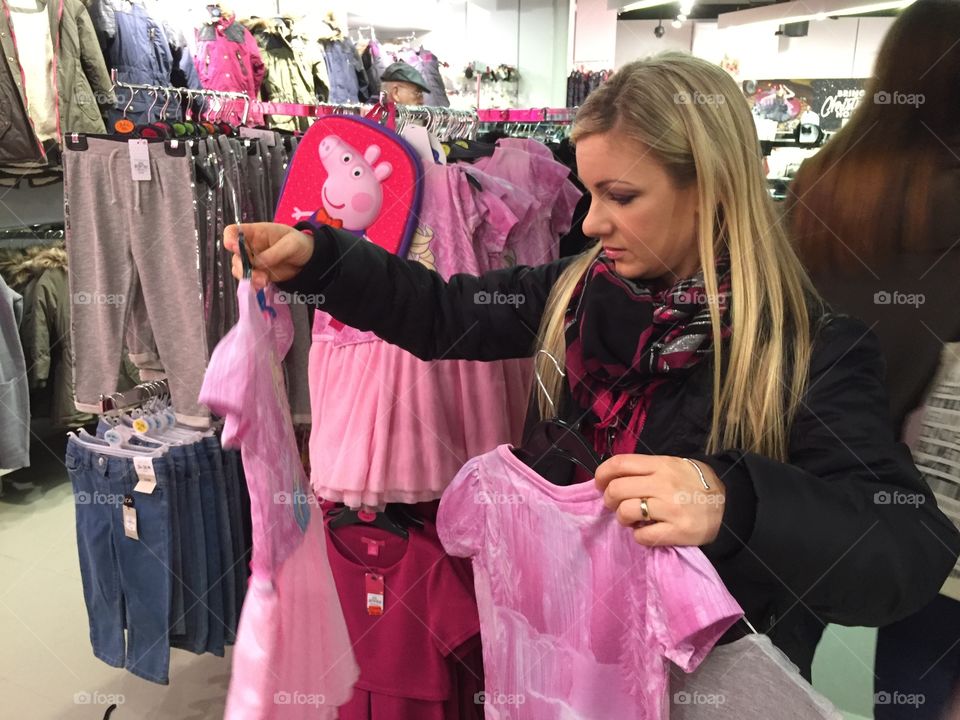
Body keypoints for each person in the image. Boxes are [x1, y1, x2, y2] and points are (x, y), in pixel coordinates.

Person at [224, 51, 960, 681]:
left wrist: (734, 501)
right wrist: (320, 260)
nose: (592, 220)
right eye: (590, 191)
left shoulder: (810, 351)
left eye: (622, 196)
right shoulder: (577, 291)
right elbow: (444, 313)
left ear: (714, 186)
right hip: (560, 665)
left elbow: (908, 550)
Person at [789, 1, 960, 716]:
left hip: (806, 467)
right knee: (921, 666)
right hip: (928, 484)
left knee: (774, 657)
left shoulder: (820, 183)